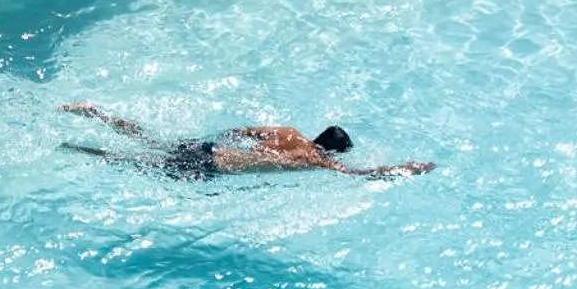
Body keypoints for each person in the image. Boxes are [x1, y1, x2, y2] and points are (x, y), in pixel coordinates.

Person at [60, 103, 434, 180]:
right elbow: (361, 174)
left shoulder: (287, 132)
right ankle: (77, 149)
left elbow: (239, 131)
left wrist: (218, 140)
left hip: (206, 147)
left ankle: (98, 114)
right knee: (133, 161)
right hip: (214, 164)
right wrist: (407, 168)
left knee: (153, 140)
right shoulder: (313, 160)